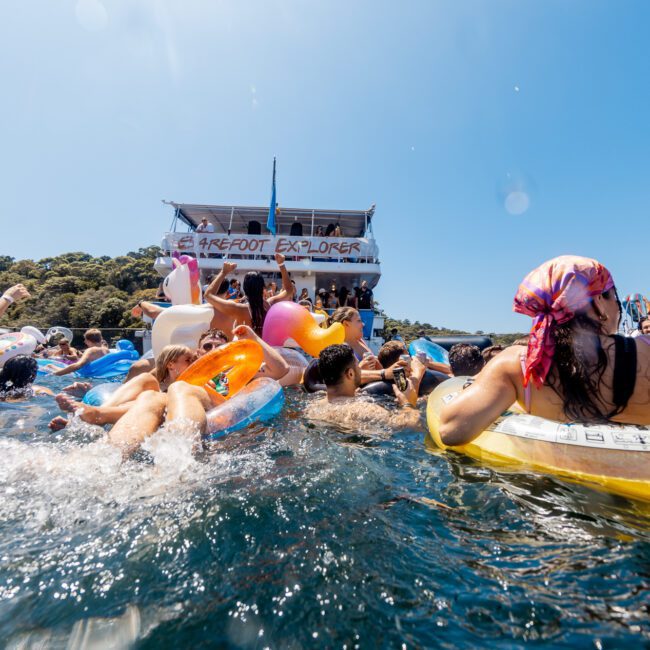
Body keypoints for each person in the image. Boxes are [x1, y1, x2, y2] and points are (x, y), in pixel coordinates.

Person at [438, 255, 650, 446]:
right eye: (614, 296)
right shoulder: (645, 349)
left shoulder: (515, 365)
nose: (617, 306)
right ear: (599, 302)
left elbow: (451, 431)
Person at [304, 344, 423, 431]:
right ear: (350, 374)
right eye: (358, 366)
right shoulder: (365, 410)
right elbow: (411, 426)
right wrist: (408, 404)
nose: (361, 370)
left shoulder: (312, 406)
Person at [205, 253, 293, 337]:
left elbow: (208, 295)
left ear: (245, 288)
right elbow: (289, 290)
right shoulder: (270, 304)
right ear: (263, 287)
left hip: (246, 351)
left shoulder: (238, 308)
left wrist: (223, 272)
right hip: (265, 350)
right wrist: (281, 264)